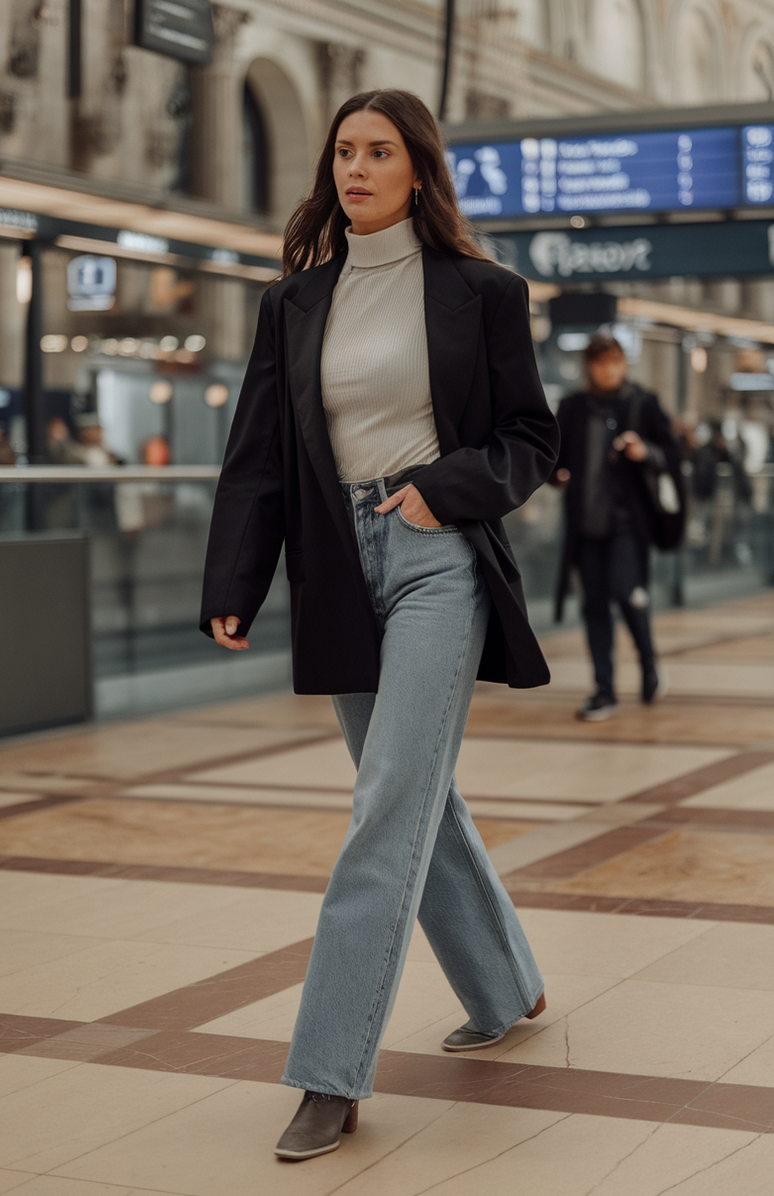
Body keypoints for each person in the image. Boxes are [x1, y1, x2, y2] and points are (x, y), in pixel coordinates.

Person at [200, 89, 559, 1161]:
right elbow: (257, 453)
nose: (355, 168)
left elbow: (529, 438)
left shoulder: (480, 291)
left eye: (379, 152)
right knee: (415, 798)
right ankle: (507, 986)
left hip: (433, 557)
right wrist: (234, 576)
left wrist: (443, 490)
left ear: (417, 170)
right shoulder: (294, 303)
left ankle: (327, 1071)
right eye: (344, 151)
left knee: (382, 807)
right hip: (332, 569)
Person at [553, 334, 680, 720]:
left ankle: (649, 664)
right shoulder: (573, 408)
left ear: (624, 364)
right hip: (587, 526)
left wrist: (646, 452)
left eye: (615, 362)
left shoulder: (642, 403)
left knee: (628, 593)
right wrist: (555, 475)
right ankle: (604, 690)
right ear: (589, 366)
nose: (609, 370)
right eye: (600, 362)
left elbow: (671, 453)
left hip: (628, 524)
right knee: (594, 606)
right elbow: (552, 456)